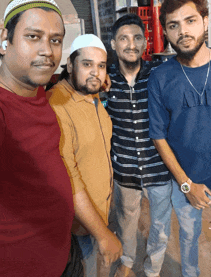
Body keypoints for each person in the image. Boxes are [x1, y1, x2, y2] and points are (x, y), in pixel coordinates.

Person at [0, 0, 82, 277]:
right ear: (5, 38)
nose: (47, 50)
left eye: (55, 40)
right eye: (33, 37)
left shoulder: (38, 94)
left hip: (62, 252)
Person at [148, 0, 211, 277]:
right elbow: (158, 135)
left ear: (205, 21)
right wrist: (187, 185)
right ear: (165, 31)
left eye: (190, 21)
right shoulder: (161, 77)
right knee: (188, 242)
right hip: (186, 184)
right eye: (173, 25)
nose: (183, 31)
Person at [48, 34, 122, 277]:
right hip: (79, 225)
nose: (95, 72)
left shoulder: (91, 96)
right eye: (87, 64)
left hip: (100, 210)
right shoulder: (57, 106)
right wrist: (102, 234)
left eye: (101, 66)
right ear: (70, 65)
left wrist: (98, 85)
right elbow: (68, 177)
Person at [107, 14, 172, 277]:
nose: (130, 44)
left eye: (136, 38)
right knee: (126, 220)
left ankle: (154, 268)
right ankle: (127, 259)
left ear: (145, 43)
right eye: (123, 38)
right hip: (126, 170)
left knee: (161, 225)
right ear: (113, 44)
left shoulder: (159, 77)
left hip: (159, 168)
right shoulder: (105, 80)